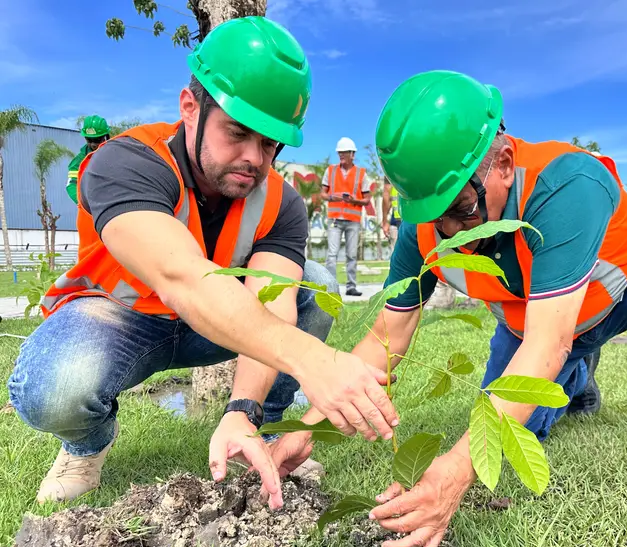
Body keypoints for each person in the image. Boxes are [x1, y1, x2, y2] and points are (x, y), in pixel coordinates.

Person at [272, 70, 627, 547]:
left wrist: (453, 471)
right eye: (433, 214)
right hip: (535, 330)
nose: (454, 231)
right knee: (520, 432)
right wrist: (308, 424)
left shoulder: (565, 182)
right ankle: (576, 381)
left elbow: (548, 342)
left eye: (463, 207)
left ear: (504, 162)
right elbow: (388, 334)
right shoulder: (424, 227)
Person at [8, 16, 397, 505]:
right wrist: (315, 362)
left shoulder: (281, 200)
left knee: (313, 287)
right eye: (238, 132)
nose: (255, 158)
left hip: (213, 328)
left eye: (270, 144)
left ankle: (268, 426)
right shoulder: (126, 163)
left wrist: (242, 408)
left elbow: (274, 303)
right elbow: (182, 278)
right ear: (190, 108)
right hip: (121, 321)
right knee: (53, 386)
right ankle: (85, 447)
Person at [320, 137, 370, 297]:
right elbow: (322, 193)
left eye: (344, 153)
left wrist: (354, 200)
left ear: (352, 154)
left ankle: (351, 286)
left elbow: (367, 199)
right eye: (339, 153)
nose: (341, 155)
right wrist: (331, 197)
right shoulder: (330, 171)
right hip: (335, 219)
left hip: (353, 221)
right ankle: (331, 287)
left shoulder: (361, 173)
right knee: (331, 254)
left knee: (352, 255)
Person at [67, 115, 111, 204]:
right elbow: (71, 184)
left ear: (105, 136)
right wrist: (85, 204)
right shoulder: (80, 160)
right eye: (89, 140)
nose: (93, 144)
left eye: (97, 139)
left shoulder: (115, 153)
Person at [381, 178, 402, 249]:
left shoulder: (390, 168)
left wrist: (385, 221)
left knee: (398, 253)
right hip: (414, 217)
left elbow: (386, 196)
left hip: (398, 217)